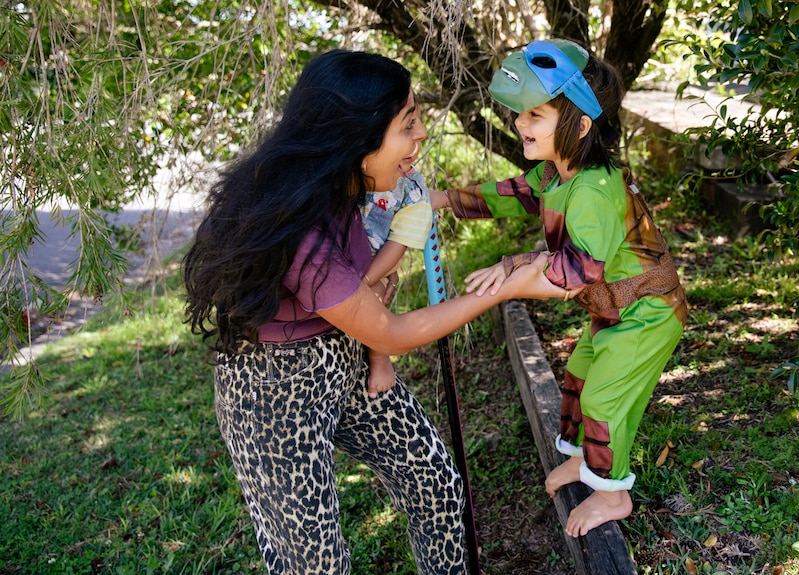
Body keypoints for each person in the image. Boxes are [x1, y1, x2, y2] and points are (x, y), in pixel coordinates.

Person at [182, 49, 564, 575]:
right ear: (357, 141)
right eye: (408, 125)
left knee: (434, 482)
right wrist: (503, 288)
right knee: (315, 563)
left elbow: (374, 290)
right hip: (273, 395)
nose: (422, 135)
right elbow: (391, 329)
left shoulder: (346, 187)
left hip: (347, 362)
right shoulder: (299, 231)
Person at [431, 39, 687, 537]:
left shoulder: (592, 189)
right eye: (521, 114)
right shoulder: (558, 171)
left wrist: (510, 278)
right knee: (578, 378)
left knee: (604, 401)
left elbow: (572, 274)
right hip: (619, 310)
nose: (520, 124)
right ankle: (583, 463)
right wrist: (442, 197)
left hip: (646, 316)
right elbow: (517, 194)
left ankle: (612, 493)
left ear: (580, 124)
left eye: (534, 115)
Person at [360, 167, 434, 397]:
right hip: (339, 255)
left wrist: (366, 279)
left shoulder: (410, 189)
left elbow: (397, 245)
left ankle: (379, 357)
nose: (414, 145)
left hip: (376, 262)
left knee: (373, 301)